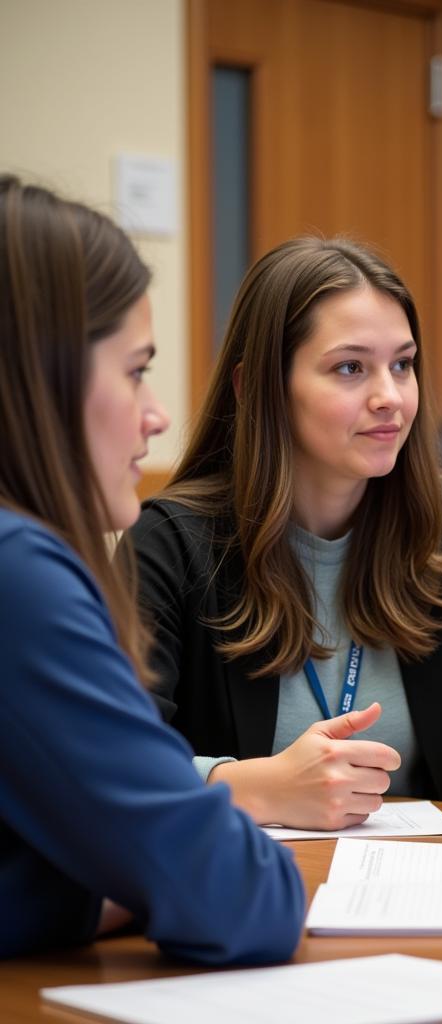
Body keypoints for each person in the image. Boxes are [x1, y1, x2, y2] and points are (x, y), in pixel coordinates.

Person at [128, 237, 442, 833]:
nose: (390, 398)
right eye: (350, 368)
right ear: (255, 387)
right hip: (244, 887)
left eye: (402, 364)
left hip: (426, 886)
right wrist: (240, 785)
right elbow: (111, 757)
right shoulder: (170, 541)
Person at [0, 175, 304, 961]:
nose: (157, 414)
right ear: (42, 377)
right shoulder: (18, 574)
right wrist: (97, 889)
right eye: (135, 371)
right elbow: (244, 896)